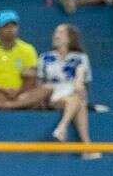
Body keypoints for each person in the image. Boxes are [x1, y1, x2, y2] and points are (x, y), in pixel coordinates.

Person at [39, 22, 97, 158]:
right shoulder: (45, 57)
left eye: (60, 32)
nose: (56, 35)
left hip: (74, 92)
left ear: (69, 38)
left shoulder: (81, 58)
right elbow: (40, 82)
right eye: (55, 32)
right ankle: (86, 145)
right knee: (79, 103)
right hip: (53, 95)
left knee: (77, 99)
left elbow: (85, 81)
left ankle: (62, 128)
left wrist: (79, 84)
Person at [0, 10, 51, 111]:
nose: (10, 29)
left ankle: (7, 106)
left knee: (47, 89)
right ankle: (20, 105)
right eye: (6, 26)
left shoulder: (28, 49)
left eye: (13, 26)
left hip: (21, 94)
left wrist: (18, 91)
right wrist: (3, 90)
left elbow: (31, 79)